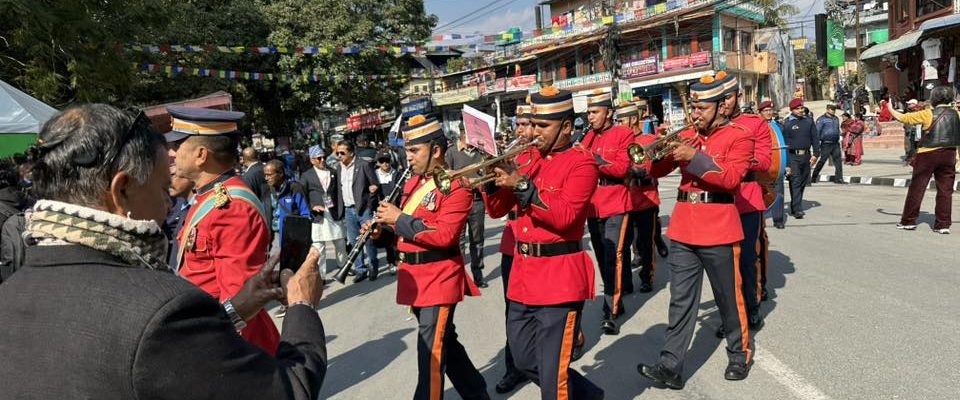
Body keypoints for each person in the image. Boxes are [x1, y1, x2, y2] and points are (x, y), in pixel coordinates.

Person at [0, 103, 328, 399]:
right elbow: (287, 391)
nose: (167, 204)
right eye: (161, 189)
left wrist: (237, 313)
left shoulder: (12, 292)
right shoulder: (159, 309)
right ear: (122, 190)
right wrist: (301, 305)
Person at [484, 86, 604, 400]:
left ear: (566, 127)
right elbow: (497, 210)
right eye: (532, 124)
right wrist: (491, 180)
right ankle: (588, 395)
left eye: (542, 126)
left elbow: (565, 217)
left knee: (553, 380)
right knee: (523, 359)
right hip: (523, 277)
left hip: (559, 279)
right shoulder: (526, 159)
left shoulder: (582, 163)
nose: (534, 132)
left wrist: (522, 185)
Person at [638, 73, 756, 389]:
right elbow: (657, 169)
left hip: (719, 227)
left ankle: (739, 353)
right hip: (683, 228)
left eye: (702, 108)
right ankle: (670, 365)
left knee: (728, 299)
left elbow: (730, 179)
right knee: (680, 301)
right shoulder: (689, 135)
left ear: (721, 106)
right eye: (693, 107)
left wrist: (695, 157)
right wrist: (657, 154)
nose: (695, 114)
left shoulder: (740, 136)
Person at [370, 114, 488, 400]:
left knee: (431, 359)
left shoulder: (457, 186)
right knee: (446, 345)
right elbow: (402, 233)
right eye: (406, 151)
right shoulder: (412, 183)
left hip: (439, 279)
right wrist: (381, 232)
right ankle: (477, 394)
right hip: (416, 280)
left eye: (414, 150)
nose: (408, 157)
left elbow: (445, 235)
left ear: (435, 151)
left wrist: (398, 219)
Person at [170, 105, 279, 353]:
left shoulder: (231, 208)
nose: (172, 153)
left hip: (231, 346)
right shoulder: (208, 198)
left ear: (201, 155)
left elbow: (241, 301)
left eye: (178, 145)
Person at [720, 72, 772, 334]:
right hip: (718, 202)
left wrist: (739, 159)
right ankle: (730, 314)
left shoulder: (755, 124)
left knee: (748, 259)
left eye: (727, 97)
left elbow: (764, 160)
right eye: (720, 99)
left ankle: (752, 307)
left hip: (747, 198)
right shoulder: (708, 126)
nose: (723, 103)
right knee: (723, 264)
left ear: (738, 97)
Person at [581, 89, 635, 335]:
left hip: (616, 202)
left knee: (614, 256)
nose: (590, 117)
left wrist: (593, 159)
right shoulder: (587, 137)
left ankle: (610, 311)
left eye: (595, 112)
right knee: (603, 256)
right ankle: (615, 299)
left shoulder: (624, 134)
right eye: (589, 112)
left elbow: (622, 168)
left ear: (609, 113)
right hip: (593, 206)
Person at [492, 104, 534, 394]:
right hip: (513, 243)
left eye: (525, 124)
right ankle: (514, 368)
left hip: (542, 241)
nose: (519, 130)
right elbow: (496, 209)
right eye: (518, 124)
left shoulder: (540, 158)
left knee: (550, 309)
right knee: (513, 311)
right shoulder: (513, 156)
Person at [887, 85, 959, 234]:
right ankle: (943, 225)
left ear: (934, 98)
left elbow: (903, 118)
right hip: (949, 154)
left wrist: (890, 108)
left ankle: (908, 221)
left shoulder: (927, 113)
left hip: (927, 154)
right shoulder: (957, 114)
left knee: (917, 188)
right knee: (945, 191)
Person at [617, 101, 661, 294]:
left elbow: (654, 169)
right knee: (623, 245)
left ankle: (646, 278)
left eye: (621, 120)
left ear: (633, 119)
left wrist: (639, 173)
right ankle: (626, 282)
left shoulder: (648, 139)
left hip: (646, 200)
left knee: (646, 244)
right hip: (625, 200)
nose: (619, 124)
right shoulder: (619, 142)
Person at [445, 132, 489, 288]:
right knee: (459, 241)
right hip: (458, 202)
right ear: (463, 135)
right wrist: (461, 181)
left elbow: (487, 174)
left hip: (477, 201)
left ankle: (478, 276)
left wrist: (479, 181)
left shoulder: (481, 152)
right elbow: (445, 176)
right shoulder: (451, 152)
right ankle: (460, 277)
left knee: (478, 240)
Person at [334, 140, 380, 282]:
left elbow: (375, 184)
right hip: (348, 209)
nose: (339, 156)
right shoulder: (339, 168)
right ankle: (360, 269)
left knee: (368, 239)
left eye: (342, 153)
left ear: (351, 153)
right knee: (355, 241)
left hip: (363, 209)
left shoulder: (363, 164)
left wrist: (369, 203)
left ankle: (373, 265)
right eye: (337, 153)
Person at [299, 145, 347, 275]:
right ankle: (321, 274)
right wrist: (311, 207)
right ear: (312, 160)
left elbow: (338, 192)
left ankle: (343, 267)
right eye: (319, 158)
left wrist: (341, 210)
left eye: (324, 157)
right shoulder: (306, 176)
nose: (322, 160)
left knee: (340, 242)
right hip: (318, 215)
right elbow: (302, 196)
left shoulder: (333, 172)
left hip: (333, 212)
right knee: (319, 246)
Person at [781, 98, 819, 219]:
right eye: (797, 108)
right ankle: (797, 209)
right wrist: (786, 162)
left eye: (802, 108)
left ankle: (795, 204)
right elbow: (784, 144)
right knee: (795, 181)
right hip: (792, 156)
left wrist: (816, 154)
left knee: (803, 182)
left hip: (806, 156)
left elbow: (815, 138)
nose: (800, 110)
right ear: (792, 110)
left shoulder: (809, 121)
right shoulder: (787, 124)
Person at [264, 159, 311, 250]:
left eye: (269, 175)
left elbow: (305, 214)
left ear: (280, 174)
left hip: (293, 237)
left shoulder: (295, 188)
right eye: (265, 175)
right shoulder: (267, 190)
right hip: (274, 237)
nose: (266, 178)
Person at [374, 151, 402, 275]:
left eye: (387, 160)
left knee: (398, 236)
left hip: (395, 208)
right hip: (381, 210)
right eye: (382, 161)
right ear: (378, 163)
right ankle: (391, 261)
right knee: (387, 237)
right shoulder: (374, 175)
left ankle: (399, 259)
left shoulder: (397, 174)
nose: (385, 163)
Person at [759, 101, 786, 230]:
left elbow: (784, 147)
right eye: (766, 111)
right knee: (761, 193)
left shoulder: (779, 126)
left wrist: (786, 164)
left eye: (770, 110)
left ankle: (778, 219)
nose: (769, 113)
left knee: (779, 192)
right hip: (762, 167)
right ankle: (759, 217)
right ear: (760, 113)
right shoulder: (756, 126)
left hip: (777, 165)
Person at [812, 104, 846, 184]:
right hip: (826, 143)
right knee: (822, 161)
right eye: (831, 109)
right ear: (827, 109)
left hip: (835, 143)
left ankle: (839, 178)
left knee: (838, 161)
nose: (833, 111)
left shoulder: (836, 118)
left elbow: (837, 129)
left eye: (834, 110)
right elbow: (817, 132)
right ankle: (814, 177)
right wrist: (816, 144)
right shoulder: (821, 119)